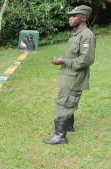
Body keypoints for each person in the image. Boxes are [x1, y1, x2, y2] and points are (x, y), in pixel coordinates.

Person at [43, 5, 95, 144]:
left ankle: (60, 136)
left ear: (83, 18)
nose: (70, 18)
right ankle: (69, 125)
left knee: (65, 102)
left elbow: (86, 60)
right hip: (69, 75)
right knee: (67, 100)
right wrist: (63, 60)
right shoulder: (76, 34)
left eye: (74, 15)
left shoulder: (86, 35)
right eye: (70, 16)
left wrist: (64, 61)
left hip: (74, 77)